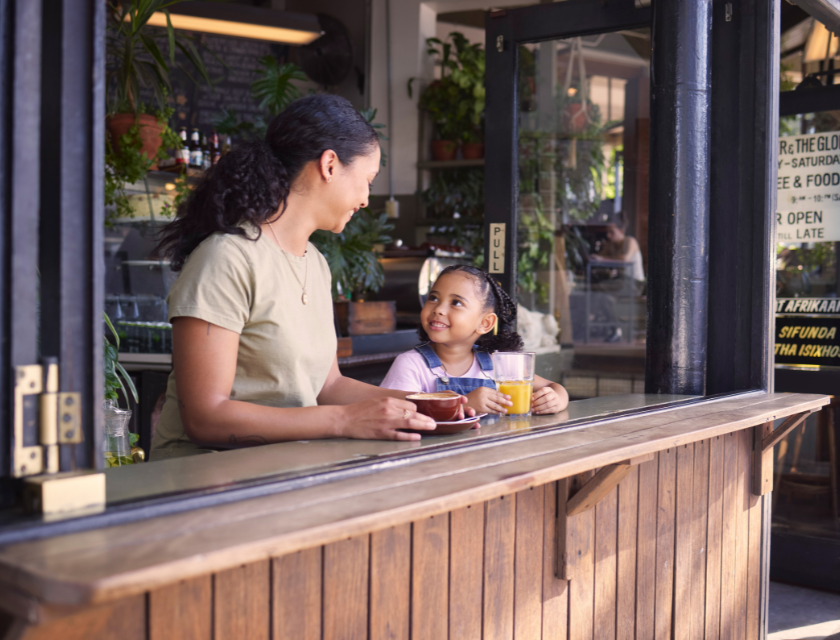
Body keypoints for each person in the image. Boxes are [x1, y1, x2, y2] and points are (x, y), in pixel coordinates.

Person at [151, 95, 458, 459]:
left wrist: (431, 404)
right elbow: (205, 417)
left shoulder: (315, 262)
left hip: (287, 472)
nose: (365, 200)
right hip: (205, 485)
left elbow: (328, 386)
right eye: (368, 180)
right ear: (329, 165)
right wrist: (343, 421)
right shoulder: (226, 258)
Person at [380, 265, 569, 416]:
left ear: (485, 323)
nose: (438, 309)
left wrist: (557, 399)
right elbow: (397, 414)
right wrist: (464, 404)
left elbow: (553, 387)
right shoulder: (412, 365)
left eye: (456, 303)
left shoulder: (496, 365)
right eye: (433, 298)